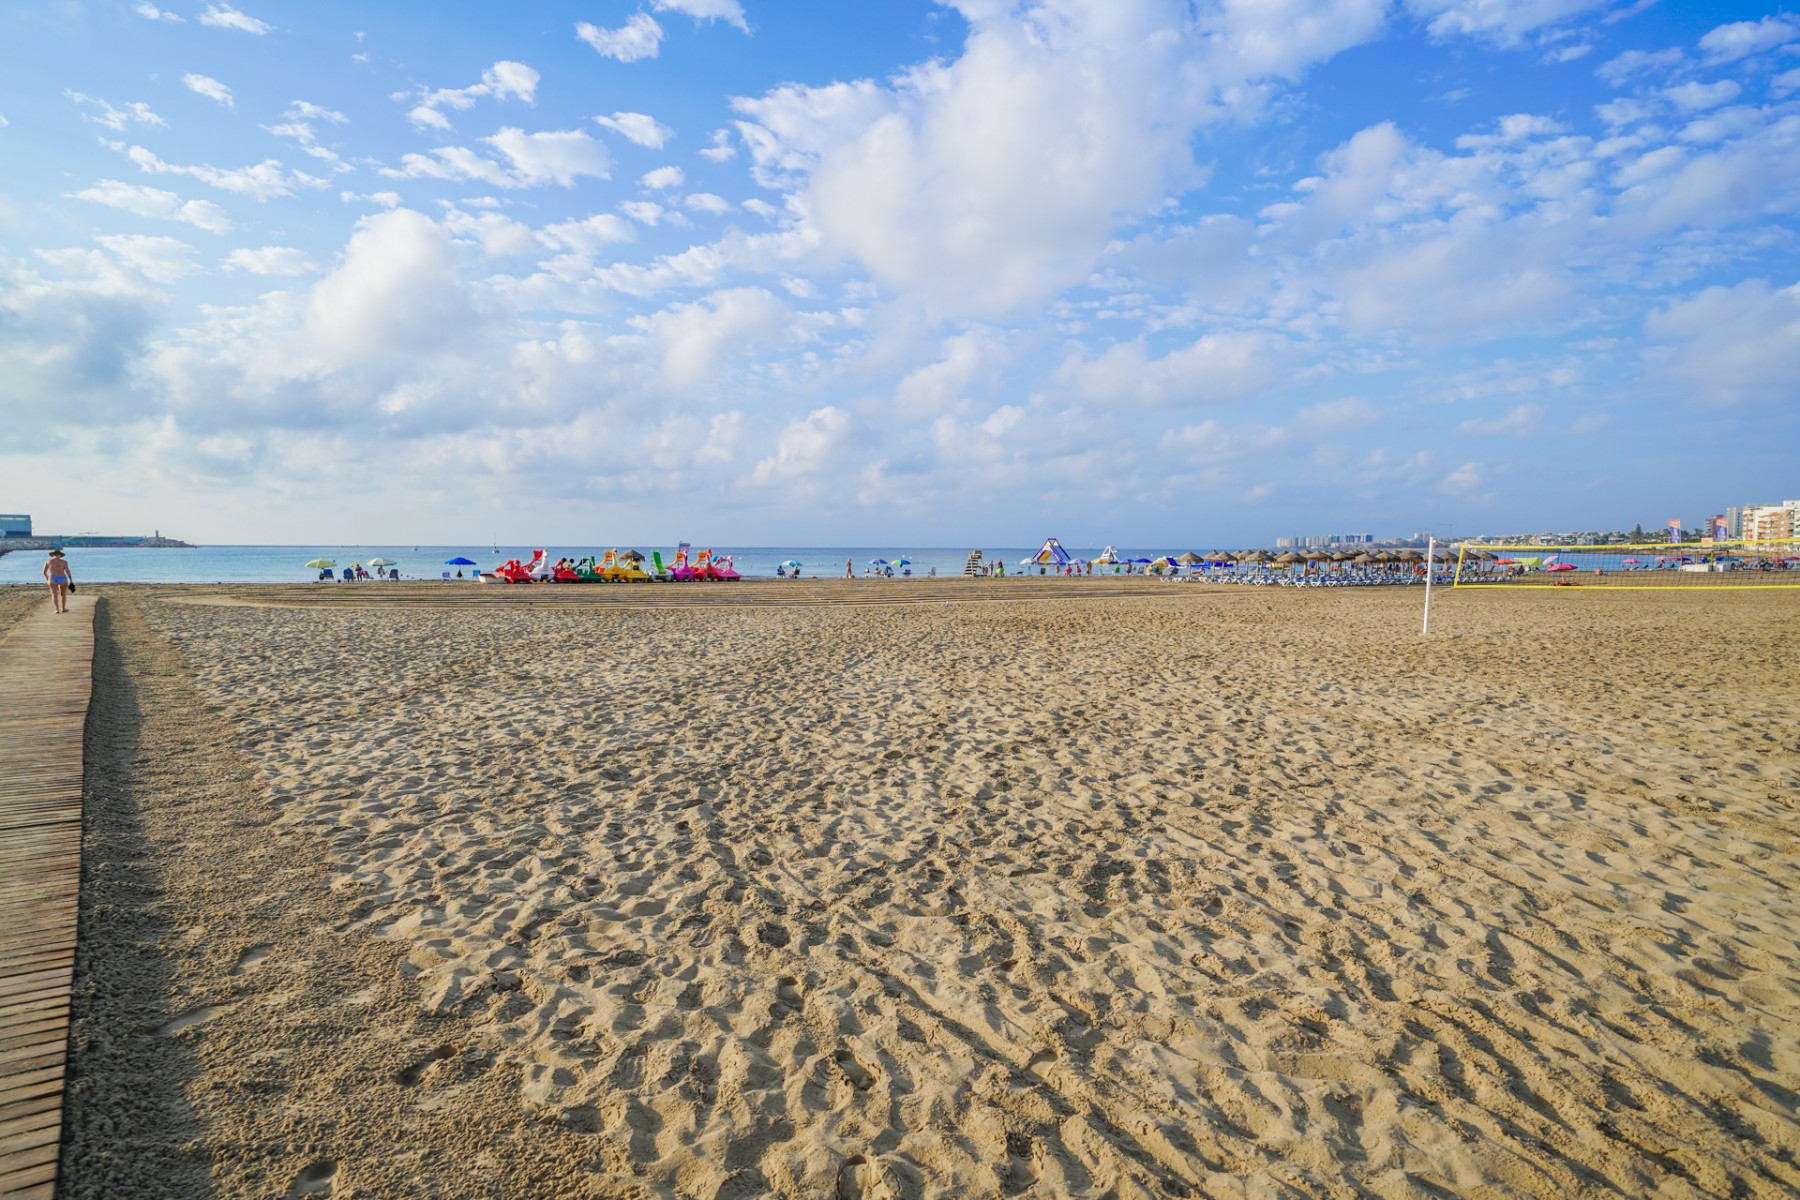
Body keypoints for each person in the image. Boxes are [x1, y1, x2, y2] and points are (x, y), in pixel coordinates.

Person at [43, 549, 73, 613]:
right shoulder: (64, 562)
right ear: (60, 555)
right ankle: (63, 608)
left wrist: (47, 578)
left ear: (53, 555)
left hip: (53, 578)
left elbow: (44, 572)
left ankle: (57, 609)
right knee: (63, 594)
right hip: (62, 578)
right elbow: (67, 571)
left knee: (54, 594)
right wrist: (70, 579)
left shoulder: (48, 561)